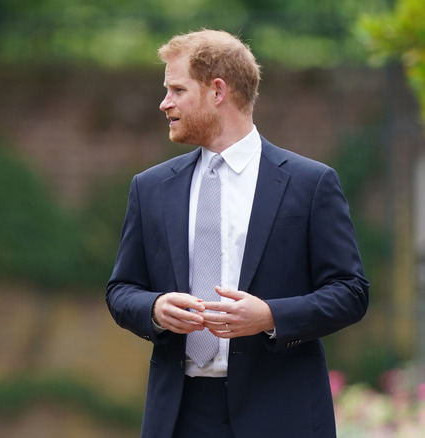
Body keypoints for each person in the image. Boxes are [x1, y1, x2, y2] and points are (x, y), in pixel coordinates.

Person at [106, 29, 369, 438]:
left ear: (217, 91)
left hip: (283, 414)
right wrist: (155, 308)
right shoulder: (150, 187)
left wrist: (269, 316)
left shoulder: (310, 183)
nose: (165, 103)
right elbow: (121, 290)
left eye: (176, 89)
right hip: (178, 416)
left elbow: (351, 292)